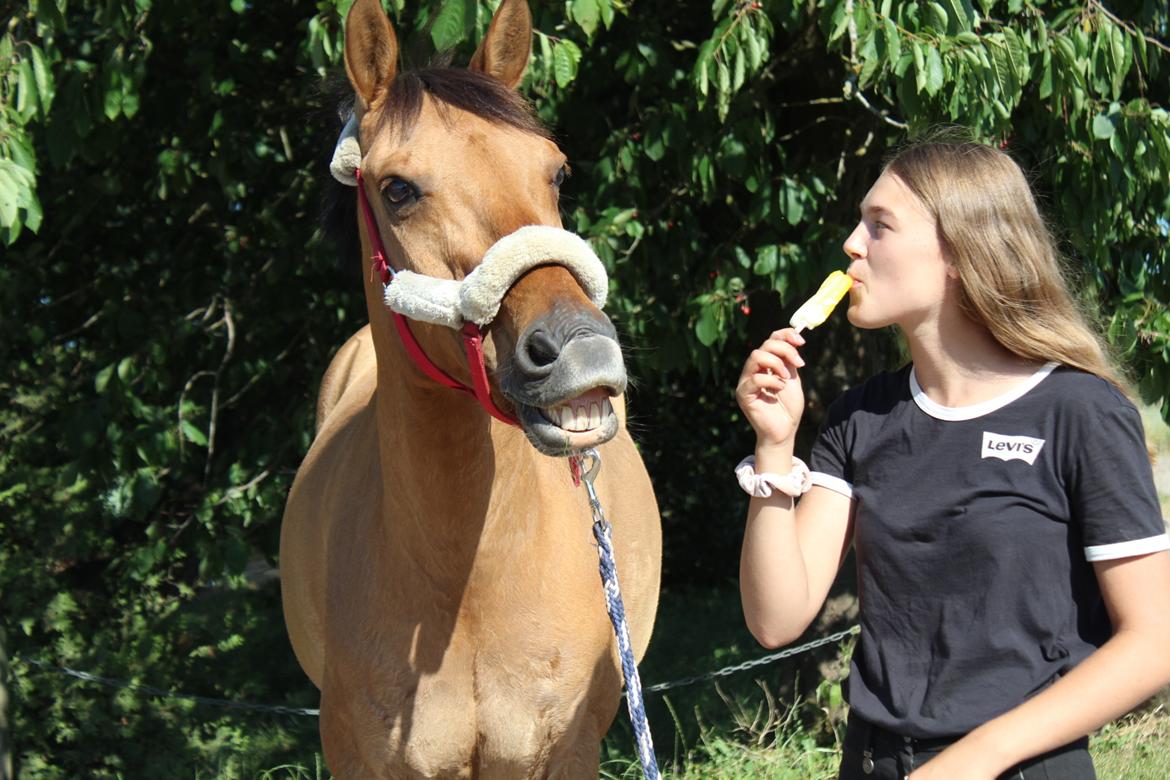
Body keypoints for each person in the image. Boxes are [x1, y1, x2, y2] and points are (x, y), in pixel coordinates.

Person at [734, 138, 1170, 780]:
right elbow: (776, 619)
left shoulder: (1079, 411)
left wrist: (975, 760)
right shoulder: (860, 416)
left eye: (879, 226)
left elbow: (1153, 643)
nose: (852, 245)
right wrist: (773, 447)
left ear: (961, 253)